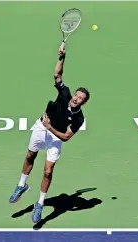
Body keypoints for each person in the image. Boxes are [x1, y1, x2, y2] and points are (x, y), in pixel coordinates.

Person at [9, 44, 90, 223]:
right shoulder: (64, 93)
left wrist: (50, 127)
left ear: (83, 103)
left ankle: (40, 204)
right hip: (41, 127)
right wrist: (62, 57)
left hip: (55, 136)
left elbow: (66, 137)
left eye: (80, 99)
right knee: (30, 155)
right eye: (76, 96)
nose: (76, 99)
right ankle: (21, 185)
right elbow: (57, 75)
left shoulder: (79, 119)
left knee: (47, 171)